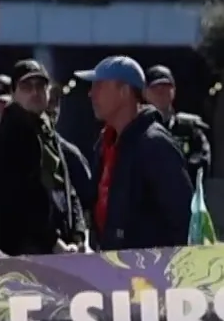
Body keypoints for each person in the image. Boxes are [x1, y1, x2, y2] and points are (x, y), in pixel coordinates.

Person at [75, 56, 193, 251]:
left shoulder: (155, 144)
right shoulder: (105, 144)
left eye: (99, 86)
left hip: (147, 275)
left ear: (124, 92)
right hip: (112, 269)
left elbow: (182, 219)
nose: (91, 94)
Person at [0, 59, 86, 256]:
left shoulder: (45, 129)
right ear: (14, 93)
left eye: (40, 86)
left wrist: (78, 234)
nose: (35, 92)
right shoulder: (7, 134)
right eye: (26, 86)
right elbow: (18, 200)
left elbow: (66, 187)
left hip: (55, 246)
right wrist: (54, 242)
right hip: (25, 250)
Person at [143, 65, 213, 183]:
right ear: (145, 93)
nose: (161, 93)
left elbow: (203, 161)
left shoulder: (188, 128)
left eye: (166, 87)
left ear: (174, 91)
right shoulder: (136, 128)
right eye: (155, 88)